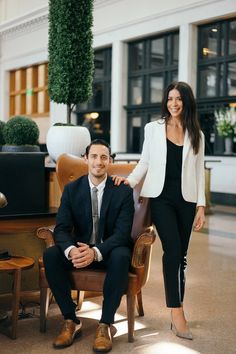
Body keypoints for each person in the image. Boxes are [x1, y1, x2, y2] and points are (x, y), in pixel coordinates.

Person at [113, 81, 205, 340]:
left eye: (178, 99)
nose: (173, 103)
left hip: (186, 201)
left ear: (186, 101)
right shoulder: (153, 129)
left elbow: (199, 173)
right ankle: (177, 312)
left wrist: (201, 206)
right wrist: (129, 180)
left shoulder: (196, 133)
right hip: (161, 198)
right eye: (170, 99)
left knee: (182, 257)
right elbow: (145, 161)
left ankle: (178, 312)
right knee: (173, 251)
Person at [43, 139, 134, 352]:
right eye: (94, 156)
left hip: (108, 252)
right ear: (86, 159)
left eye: (104, 157)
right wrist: (71, 250)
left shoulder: (122, 191)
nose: (98, 162)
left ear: (110, 161)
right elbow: (62, 228)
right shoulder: (72, 190)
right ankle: (71, 320)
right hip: (79, 251)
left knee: (122, 255)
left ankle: (105, 324)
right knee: (51, 255)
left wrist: (96, 252)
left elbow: (122, 234)